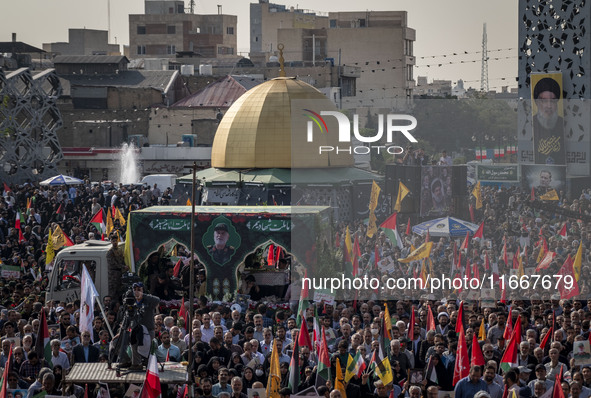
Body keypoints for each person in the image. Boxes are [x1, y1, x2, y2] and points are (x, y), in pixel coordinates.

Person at [532, 77, 565, 165]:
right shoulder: (530, 124)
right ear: (537, 103)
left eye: (553, 101)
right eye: (544, 101)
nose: (549, 106)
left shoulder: (564, 124)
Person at [106, 233, 127, 299]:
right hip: (113, 274)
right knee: (113, 292)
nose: (115, 242)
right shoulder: (110, 252)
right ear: (111, 242)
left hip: (119, 273)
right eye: (113, 241)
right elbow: (114, 263)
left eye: (116, 241)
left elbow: (122, 260)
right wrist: (123, 267)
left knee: (120, 291)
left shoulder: (119, 250)